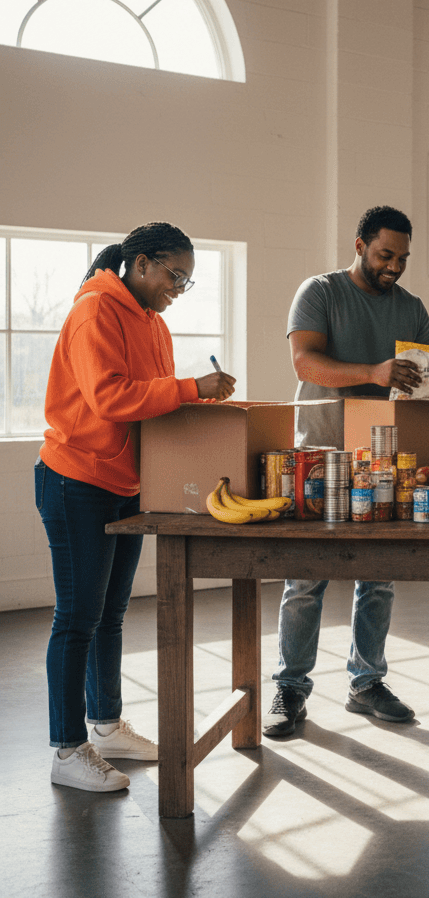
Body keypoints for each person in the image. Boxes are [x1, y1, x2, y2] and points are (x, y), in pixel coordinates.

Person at [37, 223, 236, 793]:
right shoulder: (96, 310)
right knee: (76, 618)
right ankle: (67, 748)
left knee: (111, 614)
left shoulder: (152, 321)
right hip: (77, 479)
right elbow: (110, 398)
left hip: (124, 482)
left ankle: (105, 725)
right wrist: (192, 388)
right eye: (175, 275)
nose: (178, 288)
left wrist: (203, 408)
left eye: (187, 281)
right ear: (142, 264)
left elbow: (157, 399)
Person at [263, 205, 429, 737]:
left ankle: (366, 682)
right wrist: (374, 371)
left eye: (403, 258)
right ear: (361, 243)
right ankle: (290, 688)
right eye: (385, 254)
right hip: (321, 455)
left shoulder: (411, 308)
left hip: (383, 456)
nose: (394, 266)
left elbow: (417, 379)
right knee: (305, 579)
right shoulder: (319, 293)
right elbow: (305, 363)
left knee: (379, 575)